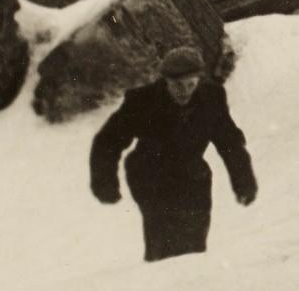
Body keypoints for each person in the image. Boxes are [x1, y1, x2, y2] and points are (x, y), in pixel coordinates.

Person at [89, 45, 257, 262]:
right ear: (166, 81)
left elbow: (229, 142)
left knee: (195, 240)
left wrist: (243, 182)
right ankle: (159, 277)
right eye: (177, 85)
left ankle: (186, 284)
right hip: (150, 174)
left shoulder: (211, 98)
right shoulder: (142, 102)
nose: (184, 91)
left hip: (192, 173)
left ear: (198, 80)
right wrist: (105, 183)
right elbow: (108, 141)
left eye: (190, 84)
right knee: (164, 239)